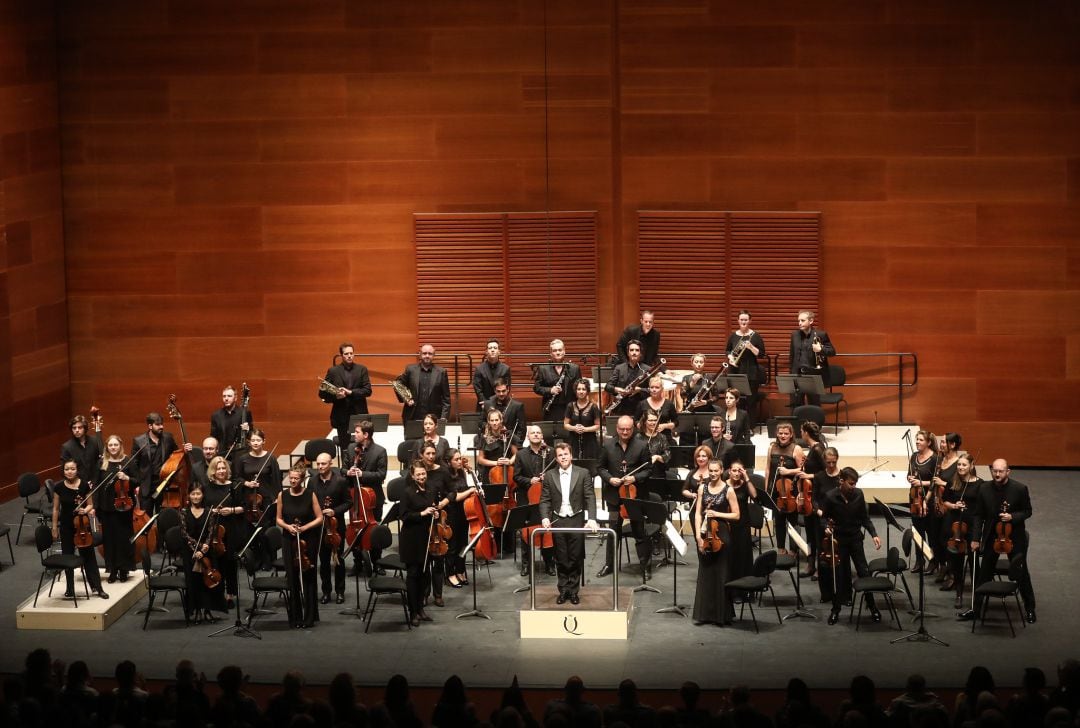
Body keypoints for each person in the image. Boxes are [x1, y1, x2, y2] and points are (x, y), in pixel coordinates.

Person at [959, 458, 1036, 623]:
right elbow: (978, 515)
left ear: (1008, 472)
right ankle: (976, 609)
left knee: (1021, 573)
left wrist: (1012, 516)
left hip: (1014, 536)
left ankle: (1030, 609)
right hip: (992, 536)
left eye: (1001, 471)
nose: (997, 474)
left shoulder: (1019, 489)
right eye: (994, 470)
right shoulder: (984, 488)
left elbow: (1027, 511)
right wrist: (975, 539)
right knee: (984, 574)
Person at [539, 443, 599, 604]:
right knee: (561, 557)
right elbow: (545, 499)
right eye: (560, 455)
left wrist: (591, 518)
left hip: (576, 519)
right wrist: (545, 517)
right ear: (556, 458)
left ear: (571, 455)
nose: (563, 457)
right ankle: (563, 590)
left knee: (575, 556)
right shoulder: (550, 475)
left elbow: (590, 497)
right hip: (558, 520)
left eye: (566, 454)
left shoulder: (583, 473)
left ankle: (573, 590)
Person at [822, 466, 882, 625]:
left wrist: (874, 534)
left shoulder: (858, 495)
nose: (854, 486)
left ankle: (873, 607)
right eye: (851, 483)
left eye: (855, 483)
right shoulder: (830, 497)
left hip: (855, 539)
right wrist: (826, 528)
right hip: (839, 541)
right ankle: (835, 610)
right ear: (841, 481)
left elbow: (865, 518)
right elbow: (823, 518)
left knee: (864, 572)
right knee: (839, 576)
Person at [596, 415, 651, 579]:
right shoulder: (607, 445)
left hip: (635, 497)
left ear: (633, 429)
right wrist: (609, 479)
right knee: (613, 530)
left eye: (628, 429)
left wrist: (634, 478)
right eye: (622, 429)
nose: (625, 432)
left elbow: (648, 470)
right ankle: (609, 565)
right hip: (614, 498)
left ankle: (645, 566)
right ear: (617, 429)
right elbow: (600, 467)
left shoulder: (642, 446)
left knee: (639, 531)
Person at [692, 458, 740, 625]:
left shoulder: (729, 490)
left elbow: (736, 515)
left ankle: (722, 615)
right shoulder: (701, 488)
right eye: (710, 471)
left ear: (721, 471)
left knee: (721, 574)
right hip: (706, 533)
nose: (712, 474)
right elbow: (698, 513)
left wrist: (717, 514)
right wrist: (698, 535)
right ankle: (704, 614)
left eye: (715, 471)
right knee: (706, 573)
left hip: (722, 534)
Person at [52, 459, 108, 599]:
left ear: (77, 470)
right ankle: (69, 588)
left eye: (72, 469)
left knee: (89, 556)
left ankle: (96, 587)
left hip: (82, 525)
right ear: (63, 471)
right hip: (66, 526)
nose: (69, 472)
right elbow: (56, 509)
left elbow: (90, 505)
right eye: (66, 469)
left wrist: (85, 510)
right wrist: (54, 527)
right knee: (68, 556)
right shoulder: (58, 487)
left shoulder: (83, 486)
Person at [276, 466, 322, 628]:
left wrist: (305, 527)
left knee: (308, 577)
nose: (293, 481)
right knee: (293, 577)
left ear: (302, 479)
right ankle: (295, 617)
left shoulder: (310, 495)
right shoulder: (282, 495)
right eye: (291, 478)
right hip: (289, 539)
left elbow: (319, 518)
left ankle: (309, 617)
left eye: (296, 478)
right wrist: (288, 527)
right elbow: (279, 519)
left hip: (308, 539)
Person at [513, 425, 557, 577]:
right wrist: (529, 481)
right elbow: (516, 477)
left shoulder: (551, 453)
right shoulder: (521, 454)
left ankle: (549, 563)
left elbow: (558, 472)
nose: (536, 435)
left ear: (542, 436)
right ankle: (526, 564)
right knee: (526, 530)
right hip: (527, 497)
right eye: (533, 433)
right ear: (528, 437)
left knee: (547, 528)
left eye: (538, 432)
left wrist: (549, 477)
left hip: (547, 497)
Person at [179, 483, 226, 624]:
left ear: (203, 495)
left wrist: (205, 547)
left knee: (208, 581)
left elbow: (211, 532)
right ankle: (197, 610)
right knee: (194, 582)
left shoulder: (209, 512)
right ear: (189, 495)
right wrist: (198, 548)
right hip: (190, 552)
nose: (195, 496)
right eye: (193, 494)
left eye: (198, 493)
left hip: (207, 551)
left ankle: (207, 610)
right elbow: (184, 533)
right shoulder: (183, 512)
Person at [234, 430, 281, 570]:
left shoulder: (271, 458)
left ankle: (268, 559)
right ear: (249, 442)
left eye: (258, 440)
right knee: (250, 530)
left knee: (265, 530)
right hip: (249, 500)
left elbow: (276, 480)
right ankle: (254, 559)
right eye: (253, 440)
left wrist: (277, 498)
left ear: (264, 441)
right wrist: (246, 483)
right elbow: (236, 478)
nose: (255, 443)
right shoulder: (242, 459)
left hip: (266, 500)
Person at [345, 420, 388, 571]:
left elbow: (381, 474)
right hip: (354, 497)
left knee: (374, 529)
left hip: (373, 498)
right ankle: (357, 563)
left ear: (366, 434)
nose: (354, 434)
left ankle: (377, 563)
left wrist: (363, 474)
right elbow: (343, 469)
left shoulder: (380, 451)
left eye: (357, 432)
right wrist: (348, 472)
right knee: (355, 528)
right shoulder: (351, 449)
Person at [400, 461, 438, 626]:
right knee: (413, 575)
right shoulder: (407, 493)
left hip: (427, 538)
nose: (422, 477)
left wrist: (435, 514)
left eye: (424, 474)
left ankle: (421, 609)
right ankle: (413, 611)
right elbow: (404, 516)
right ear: (413, 476)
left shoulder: (430, 489)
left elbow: (434, 507)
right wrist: (422, 513)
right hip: (411, 539)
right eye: (419, 474)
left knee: (424, 575)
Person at [204, 456, 245, 610]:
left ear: (227, 470)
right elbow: (203, 508)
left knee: (230, 563)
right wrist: (212, 511)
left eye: (223, 468)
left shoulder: (235, 487)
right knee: (215, 563)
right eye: (218, 468)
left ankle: (230, 595)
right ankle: (217, 593)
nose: (221, 471)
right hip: (214, 531)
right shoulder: (207, 488)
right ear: (213, 471)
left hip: (231, 528)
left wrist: (232, 510)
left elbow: (244, 507)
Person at [941, 451, 980, 608]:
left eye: (964, 464)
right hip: (955, 525)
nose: (961, 467)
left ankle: (977, 595)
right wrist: (954, 505)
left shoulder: (980, 484)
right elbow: (945, 501)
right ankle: (959, 593)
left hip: (971, 526)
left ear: (971, 466)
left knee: (973, 561)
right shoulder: (953, 481)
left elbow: (980, 508)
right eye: (959, 464)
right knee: (956, 562)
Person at [131, 412, 191, 515]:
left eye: (162, 424)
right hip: (147, 487)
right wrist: (137, 484)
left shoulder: (168, 438)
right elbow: (133, 465)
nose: (161, 427)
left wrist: (184, 450)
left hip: (164, 485)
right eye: (158, 424)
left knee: (163, 517)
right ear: (150, 426)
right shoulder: (139, 441)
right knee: (146, 518)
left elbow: (176, 456)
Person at [311, 452, 351, 605]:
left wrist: (334, 511)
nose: (320, 467)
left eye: (323, 464)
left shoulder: (340, 481)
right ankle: (326, 591)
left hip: (336, 528)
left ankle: (340, 591)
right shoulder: (312, 482)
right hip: (319, 528)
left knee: (338, 560)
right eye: (318, 464)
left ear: (331, 464)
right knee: (324, 561)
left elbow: (348, 502)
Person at [96, 434, 135, 583]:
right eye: (110, 445)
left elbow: (137, 480)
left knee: (123, 539)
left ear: (120, 446)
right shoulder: (102, 463)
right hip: (106, 508)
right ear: (107, 447)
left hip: (124, 506)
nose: (113, 448)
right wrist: (97, 506)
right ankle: (112, 570)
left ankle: (123, 569)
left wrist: (127, 478)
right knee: (110, 539)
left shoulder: (128, 461)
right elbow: (97, 485)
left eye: (116, 445)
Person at [418, 442, 452, 607]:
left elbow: (452, 492)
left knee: (438, 559)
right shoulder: (418, 472)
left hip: (439, 518)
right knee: (424, 559)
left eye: (433, 453)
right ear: (422, 454)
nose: (431, 456)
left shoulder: (443, 470)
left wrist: (441, 505)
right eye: (428, 454)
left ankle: (438, 594)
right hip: (422, 518)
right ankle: (424, 593)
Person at [318, 342, 372, 446]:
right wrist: (336, 397)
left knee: (363, 446)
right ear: (342, 355)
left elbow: (368, 390)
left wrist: (351, 392)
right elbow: (322, 393)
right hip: (341, 415)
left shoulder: (362, 369)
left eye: (351, 353)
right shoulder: (333, 371)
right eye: (346, 354)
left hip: (359, 414)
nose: (349, 356)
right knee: (345, 447)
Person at [766, 422, 804, 556]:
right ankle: (781, 549)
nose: (783, 436)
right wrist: (767, 489)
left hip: (791, 490)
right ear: (776, 434)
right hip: (776, 489)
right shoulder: (772, 447)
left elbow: (803, 469)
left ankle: (794, 550)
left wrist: (788, 471)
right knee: (779, 521)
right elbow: (768, 469)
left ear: (791, 434)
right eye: (780, 433)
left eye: (786, 433)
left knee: (793, 522)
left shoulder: (796, 448)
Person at [444, 449, 480, 588]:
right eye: (456, 459)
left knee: (463, 544)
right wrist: (470, 491)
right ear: (448, 461)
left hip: (464, 512)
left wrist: (469, 471)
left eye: (460, 458)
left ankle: (460, 570)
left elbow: (466, 488)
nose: (460, 461)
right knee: (452, 546)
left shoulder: (460, 472)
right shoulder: (446, 476)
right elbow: (455, 497)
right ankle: (450, 573)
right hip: (451, 513)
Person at [808, 446, 841, 587]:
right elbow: (813, 499)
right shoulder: (820, 476)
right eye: (829, 462)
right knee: (821, 544)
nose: (831, 465)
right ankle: (821, 570)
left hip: (838, 516)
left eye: (834, 462)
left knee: (839, 545)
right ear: (824, 461)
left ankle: (838, 569)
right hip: (822, 515)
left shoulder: (842, 476)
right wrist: (818, 510)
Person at [726, 460, 758, 600]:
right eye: (734, 470)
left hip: (743, 525)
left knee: (744, 557)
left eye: (740, 470)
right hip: (728, 525)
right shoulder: (724, 486)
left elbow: (755, 496)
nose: (737, 473)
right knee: (731, 557)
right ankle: (732, 590)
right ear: (729, 471)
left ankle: (745, 590)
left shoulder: (745, 485)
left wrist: (747, 478)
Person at [907, 430, 938, 573]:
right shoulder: (914, 456)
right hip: (914, 499)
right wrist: (910, 479)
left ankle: (933, 561)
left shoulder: (935, 459)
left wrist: (922, 483)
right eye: (917, 439)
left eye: (920, 440)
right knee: (917, 532)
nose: (917, 442)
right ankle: (919, 561)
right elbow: (909, 474)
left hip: (929, 499)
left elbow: (935, 481)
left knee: (931, 532)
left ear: (928, 442)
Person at [789, 310, 835, 407]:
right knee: (796, 404)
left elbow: (832, 352)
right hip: (797, 374)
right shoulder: (794, 335)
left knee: (814, 405)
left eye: (802, 320)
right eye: (798, 321)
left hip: (813, 375)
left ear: (811, 321)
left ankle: (814, 423)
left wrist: (820, 349)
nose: (800, 323)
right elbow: (792, 356)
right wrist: (791, 375)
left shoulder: (821, 335)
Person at [395, 343, 451, 422]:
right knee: (412, 435)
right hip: (412, 416)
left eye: (430, 353)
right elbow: (397, 384)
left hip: (434, 418)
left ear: (434, 355)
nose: (427, 356)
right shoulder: (410, 369)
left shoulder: (441, 372)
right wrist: (406, 398)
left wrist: (444, 417)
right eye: (424, 353)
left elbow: (446, 398)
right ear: (420, 354)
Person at [726, 310, 766, 408]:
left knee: (750, 402)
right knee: (736, 401)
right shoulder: (733, 336)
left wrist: (751, 347)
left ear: (750, 321)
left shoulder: (755, 336)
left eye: (746, 320)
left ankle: (750, 423)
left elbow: (761, 354)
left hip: (751, 372)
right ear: (738, 321)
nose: (743, 322)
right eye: (741, 320)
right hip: (735, 371)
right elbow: (728, 350)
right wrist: (730, 357)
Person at [534, 338, 581, 419]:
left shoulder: (574, 368)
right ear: (551, 353)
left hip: (571, 408)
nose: (558, 353)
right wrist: (550, 390)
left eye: (560, 350)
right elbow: (537, 388)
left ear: (564, 351)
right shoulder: (543, 369)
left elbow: (579, 389)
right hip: (551, 409)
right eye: (555, 351)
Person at [605, 340, 650, 417]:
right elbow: (607, 387)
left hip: (640, 409)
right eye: (631, 350)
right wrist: (618, 389)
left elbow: (653, 390)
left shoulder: (647, 369)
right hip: (621, 409)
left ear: (640, 353)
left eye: (637, 350)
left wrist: (640, 390)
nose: (634, 352)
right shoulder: (619, 368)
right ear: (628, 353)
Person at [563, 378, 601, 464]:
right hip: (573, 440)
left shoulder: (593, 407)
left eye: (583, 389)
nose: (581, 391)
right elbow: (565, 424)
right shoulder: (570, 406)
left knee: (589, 465)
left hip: (590, 441)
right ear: (575, 391)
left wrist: (585, 429)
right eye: (579, 389)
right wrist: (574, 428)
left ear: (587, 391)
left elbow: (598, 426)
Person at [209, 385, 252, 459]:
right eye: (224, 396)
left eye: (229, 396)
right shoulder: (216, 415)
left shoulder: (245, 413)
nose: (226, 398)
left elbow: (251, 434)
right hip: (222, 454)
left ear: (235, 398)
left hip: (240, 453)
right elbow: (213, 437)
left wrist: (248, 429)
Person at [60, 414, 102, 486]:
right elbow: (65, 471)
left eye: (80, 427)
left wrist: (94, 481)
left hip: (96, 483)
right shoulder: (67, 447)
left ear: (85, 428)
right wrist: (82, 483)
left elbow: (99, 463)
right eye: (74, 428)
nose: (77, 430)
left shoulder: (95, 441)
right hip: (78, 484)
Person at [483, 379, 525, 447]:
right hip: (491, 444)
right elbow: (482, 422)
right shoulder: (487, 404)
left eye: (503, 391)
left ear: (508, 389)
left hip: (510, 444)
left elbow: (522, 429)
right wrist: (491, 428)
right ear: (494, 391)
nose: (501, 394)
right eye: (498, 391)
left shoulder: (517, 406)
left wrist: (518, 444)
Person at [472, 339, 511, 410]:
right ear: (486, 352)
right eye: (490, 348)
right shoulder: (479, 368)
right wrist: (486, 403)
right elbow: (478, 389)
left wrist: (498, 401)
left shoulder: (506, 368)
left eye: (495, 348)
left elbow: (507, 388)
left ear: (499, 352)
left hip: (501, 404)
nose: (492, 350)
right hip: (483, 404)